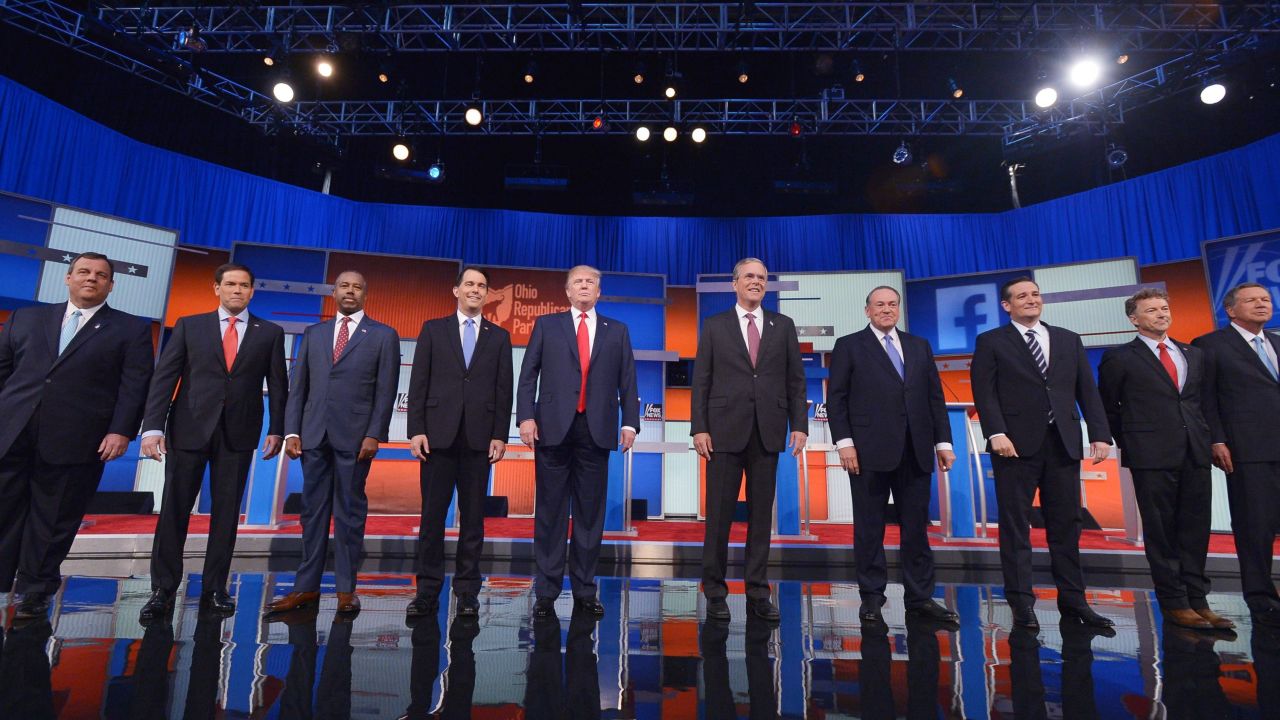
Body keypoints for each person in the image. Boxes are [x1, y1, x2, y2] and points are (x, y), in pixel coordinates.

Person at [0, 252, 154, 620]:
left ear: (111, 285)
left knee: (54, 519)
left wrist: (120, 431)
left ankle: (35, 590)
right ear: (68, 278)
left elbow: (134, 386)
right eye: (83, 272)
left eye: (101, 275)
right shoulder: (26, 317)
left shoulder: (130, 329)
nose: (91, 278)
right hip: (12, 434)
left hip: (78, 440)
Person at [139, 262, 287, 622]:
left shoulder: (269, 332)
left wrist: (278, 428)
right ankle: (162, 589)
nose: (237, 290)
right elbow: (165, 377)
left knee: (225, 515)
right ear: (216, 288)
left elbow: (279, 384)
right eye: (231, 284)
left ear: (253, 291)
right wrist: (152, 427)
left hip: (238, 433)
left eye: (245, 285)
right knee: (174, 511)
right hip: (188, 429)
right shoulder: (191, 326)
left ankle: (215, 588)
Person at [970, 276, 1114, 631]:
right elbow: (984, 392)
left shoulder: (1067, 338)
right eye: (1022, 296)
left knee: (1067, 525)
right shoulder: (991, 342)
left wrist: (1100, 433)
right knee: (1016, 526)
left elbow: (1086, 390)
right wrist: (997, 432)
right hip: (1014, 447)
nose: (1031, 300)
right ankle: (1021, 601)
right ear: (1007, 306)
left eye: (1035, 294)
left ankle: (1074, 599)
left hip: (1062, 443)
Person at [265, 271, 400, 617]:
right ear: (335, 292)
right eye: (344, 285)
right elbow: (300, 387)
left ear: (365, 293)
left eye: (357, 286)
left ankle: (345, 589)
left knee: (349, 515)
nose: (350, 291)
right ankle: (305, 588)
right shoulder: (315, 333)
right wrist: (292, 431)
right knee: (312, 514)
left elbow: (385, 392)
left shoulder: (383, 336)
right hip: (313, 436)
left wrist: (374, 433)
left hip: (356, 440)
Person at [1098, 288, 1233, 630]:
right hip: (1151, 455)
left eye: (1164, 308)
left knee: (1195, 529)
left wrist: (1212, 439)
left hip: (1195, 451)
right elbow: (1109, 407)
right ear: (1134, 318)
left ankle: (1199, 601)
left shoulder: (1193, 353)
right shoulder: (1120, 357)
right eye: (1152, 309)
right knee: (1162, 533)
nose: (1161, 314)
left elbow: (1203, 403)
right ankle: (1174, 603)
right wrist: (1133, 441)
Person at [827, 286, 959, 629]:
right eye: (880, 305)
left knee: (916, 529)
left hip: (915, 450)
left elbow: (934, 398)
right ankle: (871, 597)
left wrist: (943, 443)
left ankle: (920, 598)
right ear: (867, 311)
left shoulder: (919, 346)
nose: (887, 309)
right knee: (869, 528)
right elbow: (837, 399)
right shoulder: (849, 346)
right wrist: (844, 443)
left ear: (898, 309)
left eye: (892, 304)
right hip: (867, 452)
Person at [516, 265, 639, 621]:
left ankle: (585, 589)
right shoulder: (547, 325)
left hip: (596, 430)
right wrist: (526, 417)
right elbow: (528, 376)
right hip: (552, 428)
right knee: (551, 513)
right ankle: (546, 591)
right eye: (578, 282)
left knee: (589, 516)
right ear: (567, 292)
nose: (585, 286)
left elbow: (628, 380)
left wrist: (630, 422)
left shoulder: (616, 330)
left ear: (599, 292)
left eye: (591, 282)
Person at [691, 257, 807, 623]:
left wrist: (799, 424)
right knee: (720, 518)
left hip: (768, 431)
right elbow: (702, 381)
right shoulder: (714, 325)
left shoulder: (783, 325)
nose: (756, 282)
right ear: (735, 283)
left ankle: (757, 591)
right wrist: (699, 427)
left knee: (760, 518)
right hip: (723, 432)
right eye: (749, 277)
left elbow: (795, 380)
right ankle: (715, 590)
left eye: (761, 278)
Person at [404, 266, 513, 620]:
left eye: (482, 286)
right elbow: (418, 382)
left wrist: (499, 434)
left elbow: (503, 390)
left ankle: (467, 590)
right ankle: (427, 591)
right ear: (456, 290)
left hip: (480, 439)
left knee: (474, 521)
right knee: (431, 518)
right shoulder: (433, 330)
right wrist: (416, 429)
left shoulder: (499, 337)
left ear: (486, 294)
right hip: (436, 437)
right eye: (469, 284)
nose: (475, 290)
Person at [1192, 282, 1280, 628]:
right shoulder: (1210, 346)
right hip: (1247, 449)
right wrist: (1217, 439)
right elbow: (1206, 399)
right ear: (1230, 310)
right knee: (1255, 525)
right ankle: (1260, 597)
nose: (1262, 304)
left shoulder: (1276, 340)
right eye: (1252, 300)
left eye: (1266, 299)